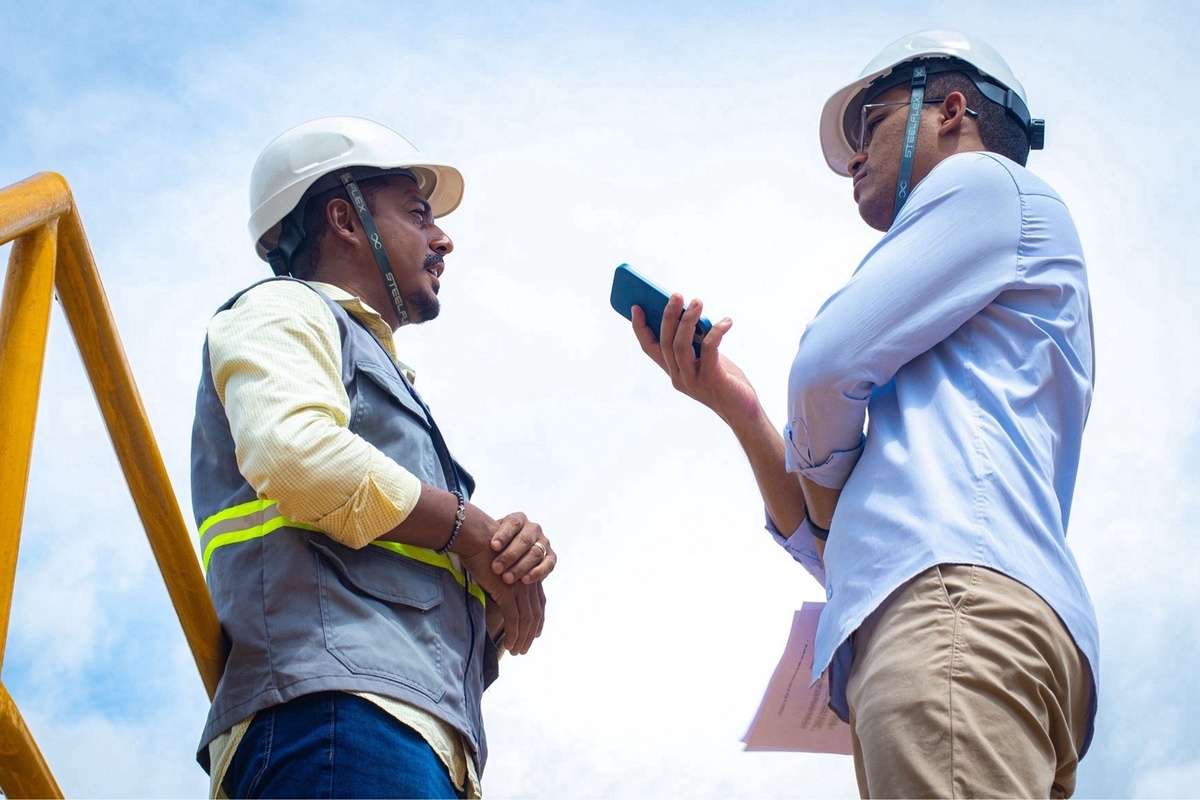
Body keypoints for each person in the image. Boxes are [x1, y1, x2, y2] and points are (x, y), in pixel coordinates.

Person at [628, 30, 1097, 798]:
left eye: (869, 122)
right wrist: (742, 410)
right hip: (977, 620)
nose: (851, 156)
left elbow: (826, 370)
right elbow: (836, 545)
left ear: (951, 111)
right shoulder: (962, 340)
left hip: (953, 615)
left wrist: (819, 479)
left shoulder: (984, 182)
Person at [190, 116, 555, 799]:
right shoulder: (282, 311)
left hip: (415, 735)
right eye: (418, 214)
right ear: (343, 219)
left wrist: (503, 572)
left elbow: (402, 567)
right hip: (337, 715)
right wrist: (469, 528)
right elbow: (295, 455)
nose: (442, 238)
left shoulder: (377, 374)